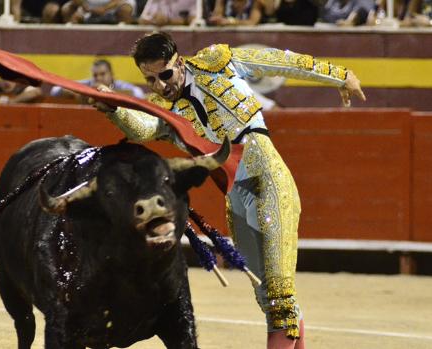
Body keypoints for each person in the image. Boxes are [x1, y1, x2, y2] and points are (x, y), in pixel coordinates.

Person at [89, 32, 365, 349]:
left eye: (165, 75)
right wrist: (114, 109)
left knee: (279, 295)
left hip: (268, 178)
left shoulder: (218, 63)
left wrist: (339, 76)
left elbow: (280, 61)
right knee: (267, 297)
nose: (161, 86)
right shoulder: (163, 109)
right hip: (235, 196)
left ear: (179, 61)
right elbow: (144, 128)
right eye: (151, 80)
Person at [50, 59, 145, 101]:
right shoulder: (88, 83)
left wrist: (110, 93)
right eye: (95, 75)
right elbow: (54, 90)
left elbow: (139, 94)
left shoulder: (120, 85)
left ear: (111, 75)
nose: (98, 78)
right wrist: (72, 92)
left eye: (103, 74)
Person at [61, 0, 135, 24]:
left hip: (113, 8)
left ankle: (126, 43)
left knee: (125, 10)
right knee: (67, 10)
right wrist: (83, 4)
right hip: (87, 9)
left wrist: (104, 9)